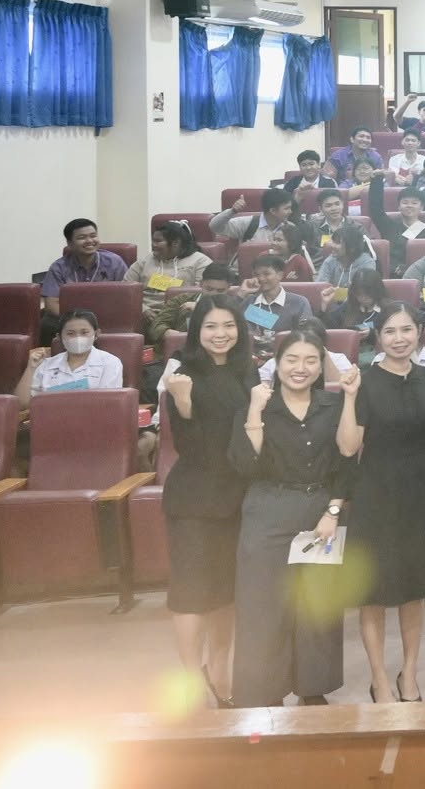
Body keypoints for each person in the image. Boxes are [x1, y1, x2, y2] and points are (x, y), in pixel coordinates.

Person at [229, 327, 353, 707]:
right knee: (263, 605)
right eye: (292, 360)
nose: (301, 368)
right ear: (277, 363)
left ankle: (312, 689)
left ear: (321, 366)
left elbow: (346, 462)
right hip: (268, 510)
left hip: (321, 512)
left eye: (311, 360)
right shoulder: (258, 405)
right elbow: (245, 465)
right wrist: (255, 410)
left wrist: (333, 511)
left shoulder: (333, 405)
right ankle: (265, 691)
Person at [336, 303, 425, 703]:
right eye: (389, 331)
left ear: (419, 332)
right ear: (378, 337)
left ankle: (410, 675)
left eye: (406, 330)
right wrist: (349, 397)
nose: (399, 339)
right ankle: (379, 679)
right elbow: (348, 446)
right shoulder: (364, 381)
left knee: (414, 589)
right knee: (374, 592)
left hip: (419, 491)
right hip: (375, 493)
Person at [158, 295, 259, 708]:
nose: (221, 334)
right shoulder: (182, 373)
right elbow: (192, 449)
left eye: (229, 325)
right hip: (194, 502)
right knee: (191, 593)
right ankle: (189, 676)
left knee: (226, 592)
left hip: (239, 498)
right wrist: (183, 404)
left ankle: (219, 669)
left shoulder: (248, 371)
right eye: (211, 326)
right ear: (197, 331)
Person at [15, 309, 124, 406]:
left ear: (96, 334)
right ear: (59, 337)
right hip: (50, 418)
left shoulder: (110, 362)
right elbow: (21, 403)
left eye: (84, 332)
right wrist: (31, 368)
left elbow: (108, 403)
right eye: (70, 333)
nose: (78, 337)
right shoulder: (47, 364)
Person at [40, 217, 129, 313]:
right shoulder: (58, 267)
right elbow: (51, 303)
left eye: (93, 236)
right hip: (70, 315)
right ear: (70, 243)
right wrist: (74, 320)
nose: (89, 241)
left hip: (108, 313)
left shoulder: (115, 262)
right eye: (82, 237)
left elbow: (126, 296)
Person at [130, 219, 211, 296]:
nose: (153, 244)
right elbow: (127, 288)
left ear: (176, 243)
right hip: (144, 305)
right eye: (153, 240)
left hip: (181, 305)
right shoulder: (145, 260)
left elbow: (202, 294)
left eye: (158, 241)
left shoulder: (200, 261)